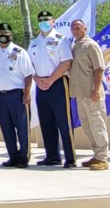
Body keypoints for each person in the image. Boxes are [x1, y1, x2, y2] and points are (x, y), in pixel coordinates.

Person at [29, 10, 76, 168]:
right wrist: (37, 79)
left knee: (63, 121)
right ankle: (52, 156)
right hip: (40, 84)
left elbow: (66, 63)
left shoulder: (61, 40)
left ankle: (70, 158)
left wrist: (50, 80)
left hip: (57, 83)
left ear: (53, 21)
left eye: (46, 19)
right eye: (41, 19)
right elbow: (30, 65)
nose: (44, 22)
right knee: (46, 121)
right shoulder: (34, 42)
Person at [0, 22, 34, 168]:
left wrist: (27, 93)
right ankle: (13, 156)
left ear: (11, 35)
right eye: (0, 34)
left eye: (6, 34)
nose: (3, 37)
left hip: (17, 95)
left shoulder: (19, 52)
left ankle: (24, 157)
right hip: (1, 96)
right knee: (6, 128)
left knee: (22, 128)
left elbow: (28, 75)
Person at [69, 19, 110, 170]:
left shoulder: (91, 45)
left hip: (92, 93)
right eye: (73, 28)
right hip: (80, 94)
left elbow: (99, 69)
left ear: (85, 28)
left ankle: (103, 158)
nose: (76, 30)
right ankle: (96, 155)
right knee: (87, 126)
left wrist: (95, 90)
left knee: (97, 124)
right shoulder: (75, 46)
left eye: (79, 27)